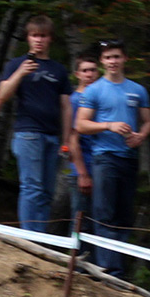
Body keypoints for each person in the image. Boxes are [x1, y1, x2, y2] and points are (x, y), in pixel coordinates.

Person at [0, 15, 73, 233]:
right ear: (28, 38)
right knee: (32, 187)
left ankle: (40, 237)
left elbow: (66, 107)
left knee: (47, 191)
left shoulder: (58, 70)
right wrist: (20, 72)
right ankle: (29, 236)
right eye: (34, 35)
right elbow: (2, 94)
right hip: (28, 132)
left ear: (50, 38)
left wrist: (66, 140)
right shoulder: (16, 64)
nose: (39, 40)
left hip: (52, 135)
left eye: (43, 36)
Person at [74, 40, 150, 276]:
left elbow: (148, 121)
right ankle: (109, 271)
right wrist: (109, 125)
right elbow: (81, 124)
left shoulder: (138, 90)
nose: (113, 62)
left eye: (116, 57)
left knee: (124, 215)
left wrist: (141, 136)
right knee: (104, 214)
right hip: (104, 157)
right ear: (102, 61)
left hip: (129, 157)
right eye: (108, 57)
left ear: (125, 58)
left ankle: (118, 271)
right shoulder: (94, 89)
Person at [58, 55, 102, 239]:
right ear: (77, 74)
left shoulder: (101, 97)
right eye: (85, 70)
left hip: (100, 164)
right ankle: (75, 254)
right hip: (80, 166)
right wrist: (82, 173)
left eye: (92, 70)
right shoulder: (75, 100)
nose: (89, 74)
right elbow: (72, 137)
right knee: (80, 217)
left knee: (97, 218)